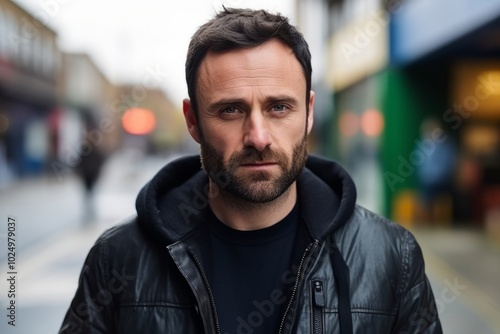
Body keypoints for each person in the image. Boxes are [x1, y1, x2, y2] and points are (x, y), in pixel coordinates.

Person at [59, 8, 442, 334]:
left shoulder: (392, 257)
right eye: (231, 110)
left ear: (309, 113)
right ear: (192, 121)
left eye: (279, 108)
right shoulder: (118, 259)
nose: (258, 137)